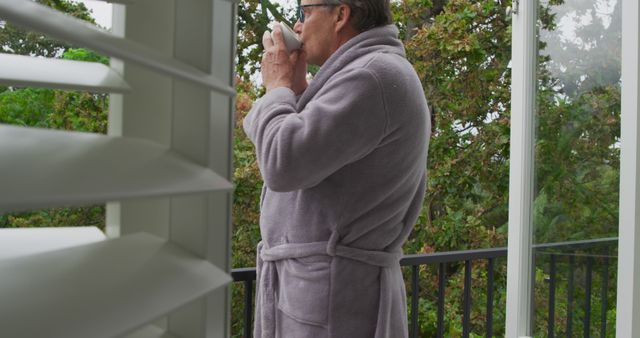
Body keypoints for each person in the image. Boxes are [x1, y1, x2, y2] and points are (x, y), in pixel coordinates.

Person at [242, 0, 431, 336]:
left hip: (329, 300)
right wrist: (298, 91)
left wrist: (277, 88)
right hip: (326, 289)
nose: (297, 27)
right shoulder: (367, 73)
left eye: (305, 12)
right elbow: (315, 155)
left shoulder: (371, 76)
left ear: (341, 15)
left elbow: (281, 162)